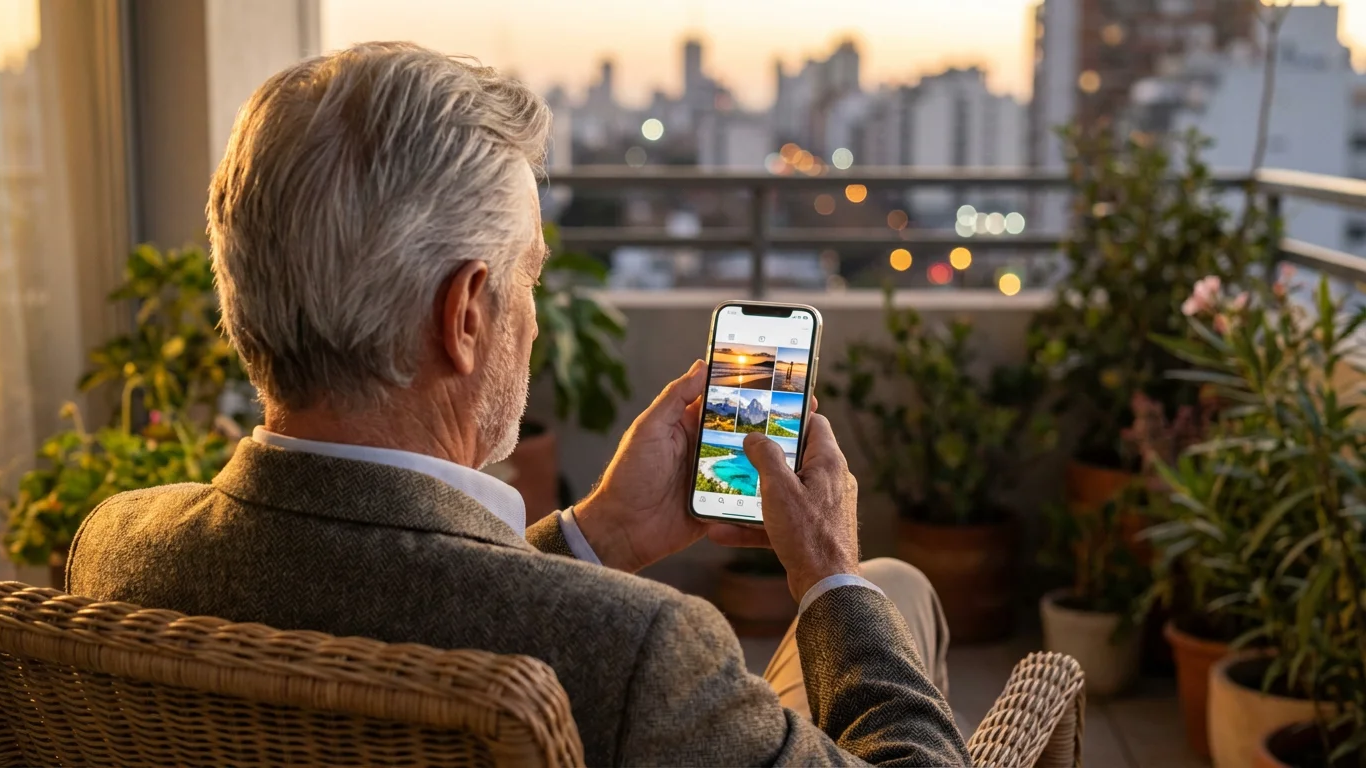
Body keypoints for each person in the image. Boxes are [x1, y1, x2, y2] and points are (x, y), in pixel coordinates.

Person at [67, 42, 969, 766]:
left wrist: (598, 537)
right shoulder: (638, 654)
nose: (533, 317)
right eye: (529, 277)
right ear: (464, 315)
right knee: (886, 591)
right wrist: (825, 573)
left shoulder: (116, 554)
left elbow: (392, 594)